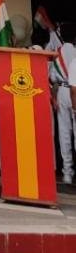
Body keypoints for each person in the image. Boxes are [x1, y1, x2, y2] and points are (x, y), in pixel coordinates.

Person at [51, 21, 76, 186]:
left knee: (64, 133)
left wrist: (53, 97)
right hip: (74, 90)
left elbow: (52, 77)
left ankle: (67, 173)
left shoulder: (57, 52)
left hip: (61, 91)